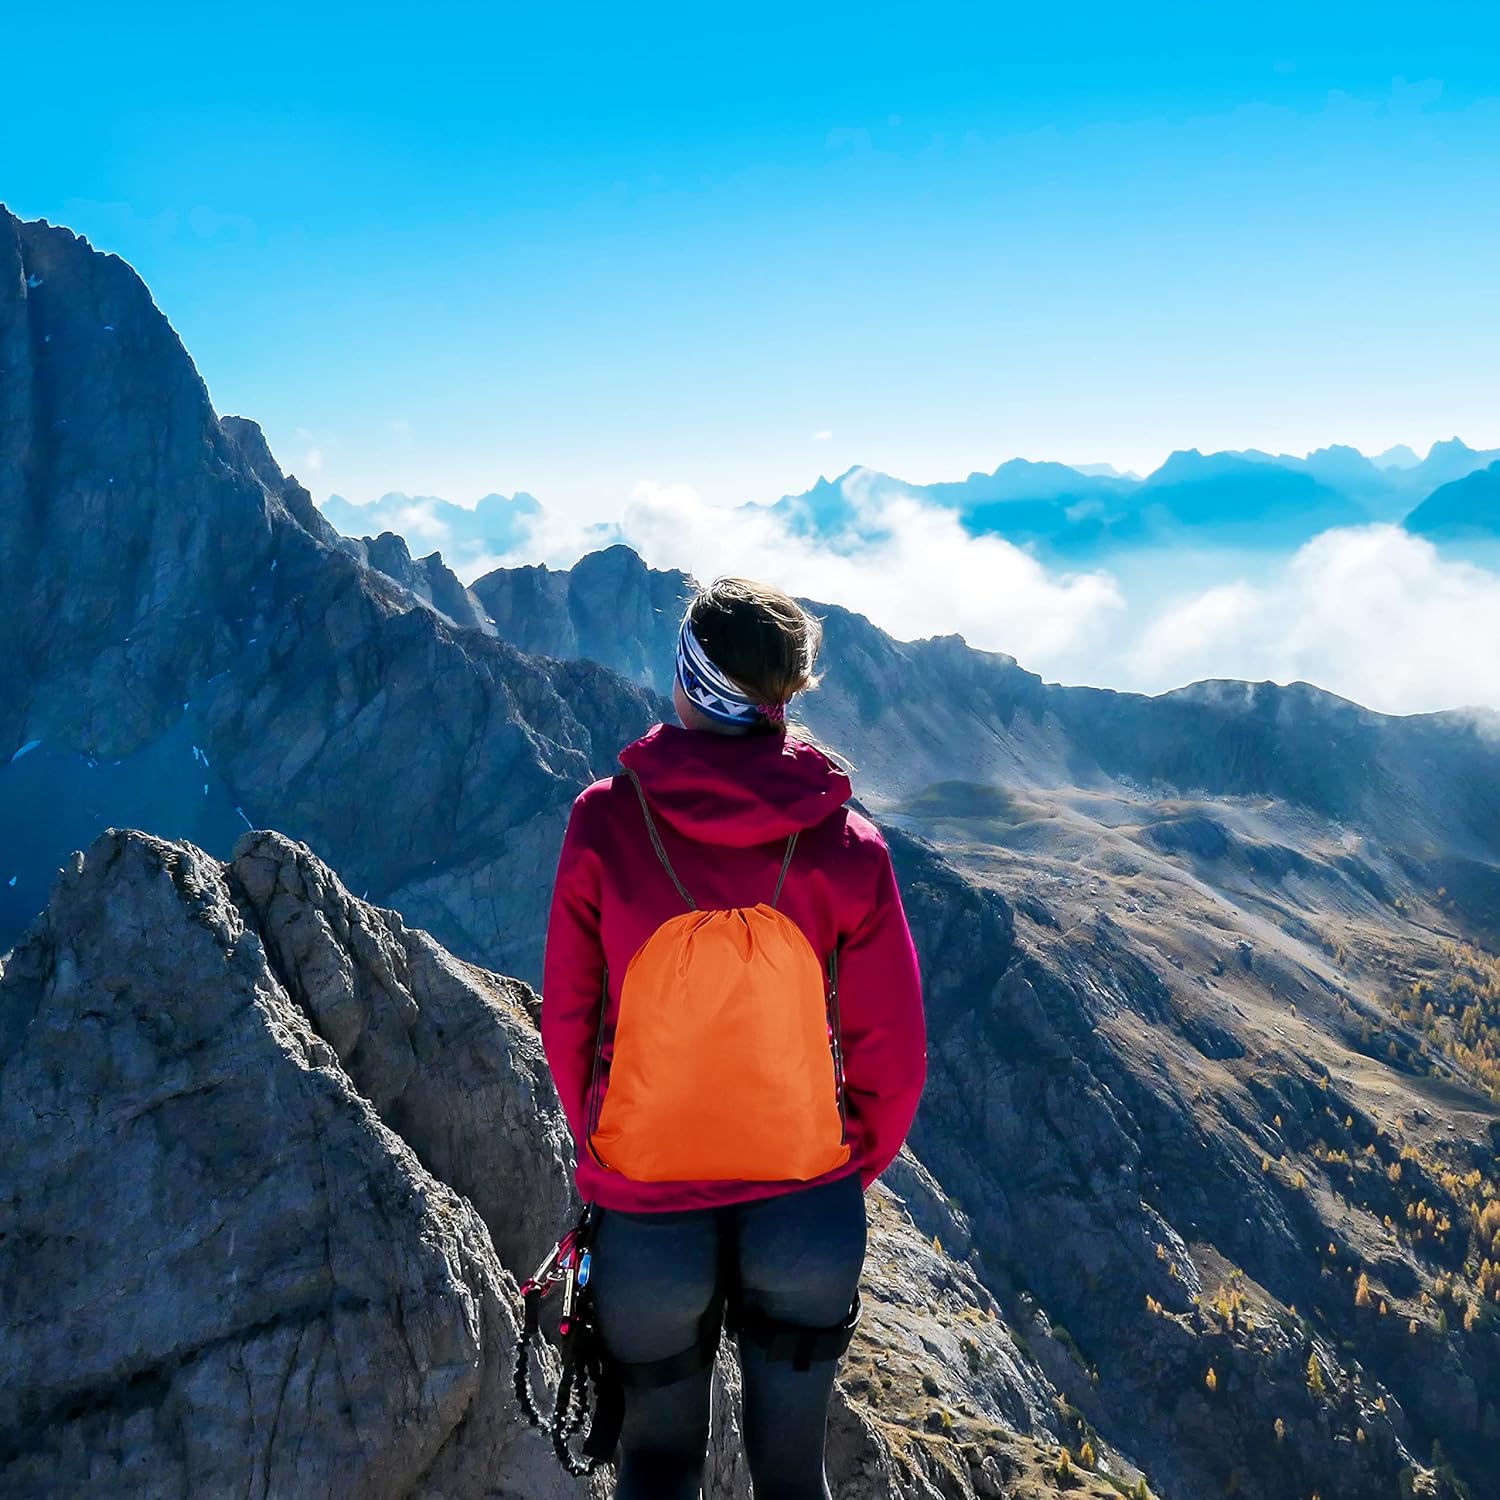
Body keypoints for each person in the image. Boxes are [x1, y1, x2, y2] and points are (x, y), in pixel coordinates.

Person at [541, 575, 926, 1500]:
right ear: (780, 697)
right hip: (805, 1207)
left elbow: (569, 1018)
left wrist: (604, 1144)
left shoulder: (604, 821)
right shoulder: (849, 846)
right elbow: (893, 1050)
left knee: (656, 1463)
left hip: (647, 1207)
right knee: (791, 1472)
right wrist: (840, 1167)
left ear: (688, 677)